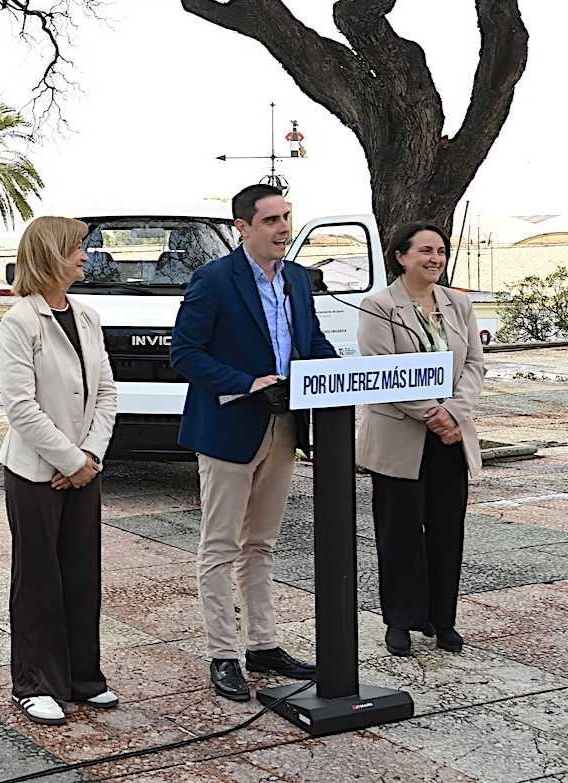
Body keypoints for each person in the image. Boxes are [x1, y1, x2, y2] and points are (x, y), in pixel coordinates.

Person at [169, 184, 337, 702]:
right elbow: (185, 353)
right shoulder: (213, 280)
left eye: (287, 217)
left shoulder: (298, 281)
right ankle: (223, 653)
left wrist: (349, 372)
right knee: (221, 545)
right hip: (229, 426)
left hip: (285, 427)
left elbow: (311, 344)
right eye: (271, 220)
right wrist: (246, 383)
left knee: (261, 543)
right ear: (242, 227)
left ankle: (263, 645)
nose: (284, 228)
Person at [0, 215, 119, 725]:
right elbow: (20, 407)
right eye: (76, 249)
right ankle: (34, 682)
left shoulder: (87, 315)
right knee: (38, 577)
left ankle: (82, 678)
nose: (85, 256)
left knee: (81, 573)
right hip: (35, 472)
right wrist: (70, 461)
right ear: (50, 254)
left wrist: (89, 458)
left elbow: (107, 392)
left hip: (83, 468)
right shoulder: (18, 322)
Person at [356, 222, 485, 657]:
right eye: (425, 251)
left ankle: (442, 619)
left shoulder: (458, 304)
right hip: (400, 435)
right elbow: (382, 369)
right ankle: (401, 621)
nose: (435, 259)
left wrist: (454, 414)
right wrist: (433, 412)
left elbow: (473, 367)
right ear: (401, 256)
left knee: (448, 529)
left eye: (441, 252)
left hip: (451, 436)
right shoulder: (378, 306)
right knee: (399, 531)